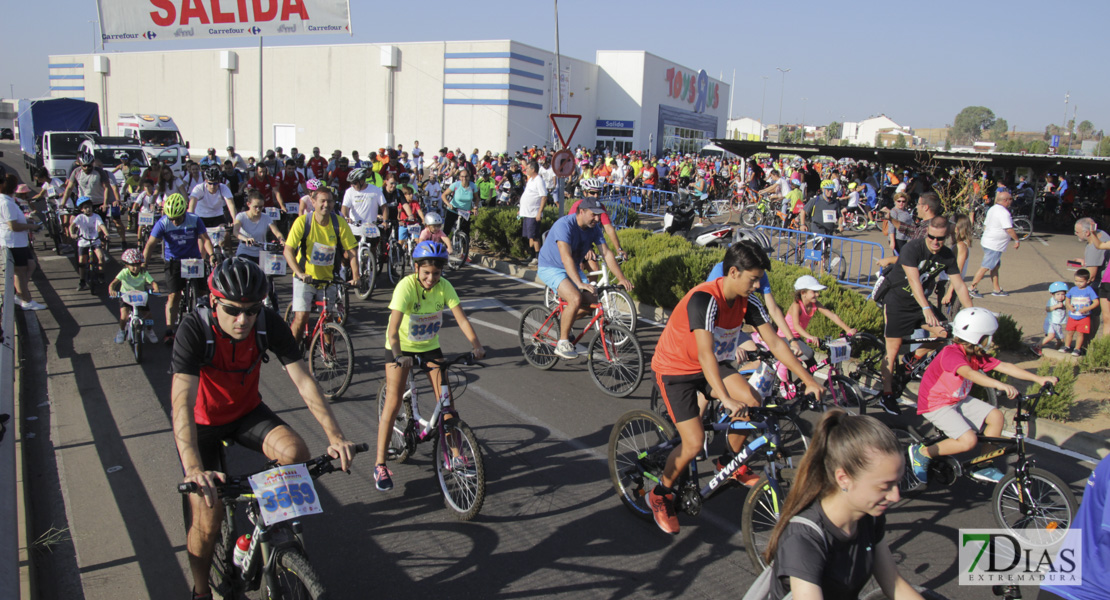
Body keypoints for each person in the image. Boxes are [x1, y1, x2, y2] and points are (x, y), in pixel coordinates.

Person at [172, 257, 358, 600]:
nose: (243, 319)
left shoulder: (267, 323)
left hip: (245, 413)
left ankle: (261, 527)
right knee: (207, 519)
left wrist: (335, 436)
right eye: (232, 310)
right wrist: (194, 468)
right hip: (202, 424)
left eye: (252, 310)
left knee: (296, 453)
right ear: (214, 301)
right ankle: (200, 591)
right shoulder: (194, 329)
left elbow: (304, 380)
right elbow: (181, 403)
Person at [648, 242, 825, 534]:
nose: (757, 285)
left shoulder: (748, 302)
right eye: (753, 279)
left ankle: (729, 463)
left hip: (712, 364)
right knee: (692, 442)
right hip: (676, 369)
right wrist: (726, 399)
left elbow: (776, 342)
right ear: (733, 272)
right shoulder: (705, 299)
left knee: (752, 402)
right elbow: (705, 353)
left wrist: (808, 379)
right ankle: (660, 494)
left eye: (759, 280)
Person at [762, 410, 925, 600]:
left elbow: (894, 584)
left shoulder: (870, 517)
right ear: (843, 478)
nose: (895, 496)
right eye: (885, 486)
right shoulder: (804, 539)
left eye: (898, 483)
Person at [374, 241, 485, 491]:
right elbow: (392, 330)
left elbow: (462, 319)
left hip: (429, 347)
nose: (431, 278)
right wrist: (398, 355)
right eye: (426, 273)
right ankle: (380, 464)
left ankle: (456, 455)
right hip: (400, 348)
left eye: (436, 273)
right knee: (392, 402)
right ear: (416, 269)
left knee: (447, 405)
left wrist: (477, 346)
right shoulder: (405, 287)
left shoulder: (444, 287)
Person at [907, 308, 1057, 483]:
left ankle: (984, 465)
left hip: (956, 399)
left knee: (996, 416)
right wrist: (998, 384)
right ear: (977, 337)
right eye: (988, 336)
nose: (990, 340)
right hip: (936, 403)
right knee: (968, 441)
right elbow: (969, 373)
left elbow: (1005, 366)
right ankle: (922, 453)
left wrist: (1039, 379)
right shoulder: (951, 353)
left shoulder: (974, 353)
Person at [878, 216, 975, 416]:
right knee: (892, 350)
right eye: (931, 237)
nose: (935, 242)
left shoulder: (947, 255)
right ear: (927, 233)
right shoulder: (913, 248)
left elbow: (959, 284)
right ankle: (886, 394)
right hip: (897, 301)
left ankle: (912, 359)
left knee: (944, 334)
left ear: (947, 236)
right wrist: (926, 308)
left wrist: (971, 312)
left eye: (940, 238)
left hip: (919, 304)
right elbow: (914, 281)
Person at [536, 197, 632, 360]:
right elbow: (565, 258)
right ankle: (563, 342)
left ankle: (564, 318)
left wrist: (621, 278)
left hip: (571, 266)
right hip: (551, 267)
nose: (597, 219)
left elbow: (606, 253)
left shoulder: (593, 228)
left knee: (593, 303)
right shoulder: (564, 225)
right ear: (581, 212)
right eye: (594, 215)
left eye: (599, 215)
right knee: (575, 298)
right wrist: (579, 283)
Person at [282, 185, 360, 346]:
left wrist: (356, 276)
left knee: (328, 318)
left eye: (330, 201)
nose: (326, 205)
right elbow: (288, 251)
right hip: (305, 278)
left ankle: (328, 352)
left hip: (328, 278)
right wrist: (300, 273)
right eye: (322, 201)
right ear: (313, 202)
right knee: (302, 316)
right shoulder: (303, 222)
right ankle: (290, 352)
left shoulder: (338, 223)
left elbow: (352, 251)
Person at [143, 193, 216, 343]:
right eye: (172, 219)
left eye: (178, 218)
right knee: (173, 296)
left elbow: (205, 239)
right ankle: (169, 329)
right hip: (174, 261)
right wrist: (144, 263)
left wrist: (212, 255)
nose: (174, 221)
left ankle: (205, 325)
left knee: (203, 293)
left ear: (184, 212)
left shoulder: (194, 220)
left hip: (193, 260)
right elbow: (150, 244)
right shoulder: (163, 223)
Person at [781, 275, 857, 365]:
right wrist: (810, 337)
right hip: (785, 336)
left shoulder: (815, 304)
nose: (817, 294)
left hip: (797, 337)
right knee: (808, 353)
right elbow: (796, 326)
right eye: (814, 291)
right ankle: (783, 366)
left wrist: (848, 329)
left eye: (817, 292)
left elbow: (832, 316)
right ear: (803, 293)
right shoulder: (796, 305)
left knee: (812, 366)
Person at [0, 175, 46, 310]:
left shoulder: (8, 200)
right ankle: (26, 300)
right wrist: (31, 227)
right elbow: (13, 226)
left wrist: (27, 222)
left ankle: (20, 293)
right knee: (20, 272)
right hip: (13, 242)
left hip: (20, 242)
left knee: (30, 265)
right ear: (13, 188)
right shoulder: (6, 203)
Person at [967, 191, 1019, 298]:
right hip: (994, 245)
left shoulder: (992, 209)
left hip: (988, 241)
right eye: (1010, 199)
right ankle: (972, 288)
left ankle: (996, 289)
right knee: (986, 266)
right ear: (1005, 200)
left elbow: (985, 225)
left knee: (995, 266)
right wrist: (1016, 240)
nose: (1011, 202)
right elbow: (1009, 229)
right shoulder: (1004, 213)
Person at [108, 248, 160, 343]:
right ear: (126, 265)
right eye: (132, 265)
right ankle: (122, 331)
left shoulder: (144, 272)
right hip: (126, 296)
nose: (135, 268)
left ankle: (149, 330)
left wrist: (155, 288)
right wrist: (111, 290)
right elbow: (113, 283)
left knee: (148, 316)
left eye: (138, 264)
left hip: (140, 297)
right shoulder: (124, 273)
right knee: (124, 316)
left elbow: (152, 282)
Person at [1073, 217, 1110, 337]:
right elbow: (1099, 247)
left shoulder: (1093, 246)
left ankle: (1088, 342)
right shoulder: (1102, 235)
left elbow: (1092, 275)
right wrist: (1093, 232)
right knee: (1105, 317)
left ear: (1086, 232)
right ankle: (1102, 346)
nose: (1075, 234)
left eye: (1077, 232)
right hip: (1105, 281)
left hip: (1103, 283)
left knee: (1097, 315)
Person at [69, 196, 111, 291]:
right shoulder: (80, 217)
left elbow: (101, 225)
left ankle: (101, 274)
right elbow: (72, 226)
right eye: (85, 208)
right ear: (81, 209)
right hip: (83, 241)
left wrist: (106, 234)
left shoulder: (96, 216)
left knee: (100, 257)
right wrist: (72, 233)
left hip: (95, 240)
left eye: (89, 207)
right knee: (81, 262)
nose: (88, 209)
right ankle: (82, 280)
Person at [233, 191, 285, 263]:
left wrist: (281, 239)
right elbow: (235, 231)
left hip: (260, 253)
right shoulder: (241, 216)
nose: (258, 210)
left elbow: (276, 232)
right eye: (255, 207)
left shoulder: (266, 217)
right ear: (248, 204)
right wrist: (245, 239)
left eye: (260, 207)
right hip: (244, 252)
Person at [518, 160, 548, 265]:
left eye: (527, 168)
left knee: (535, 236)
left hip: (533, 213)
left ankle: (537, 257)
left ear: (533, 169)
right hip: (526, 213)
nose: (525, 170)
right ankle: (531, 255)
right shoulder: (531, 180)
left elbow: (544, 196)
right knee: (529, 235)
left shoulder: (539, 180)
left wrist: (539, 212)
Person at [1063, 269, 1098, 356]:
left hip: (1084, 317)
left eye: (1081, 281)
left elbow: (1096, 302)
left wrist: (1088, 308)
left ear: (1087, 281)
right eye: (1076, 281)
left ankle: (1077, 348)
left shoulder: (1089, 290)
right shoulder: (1073, 289)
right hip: (1073, 316)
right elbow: (1067, 298)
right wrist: (1068, 305)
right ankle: (1066, 346)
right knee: (1070, 332)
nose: (1078, 283)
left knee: (1080, 333)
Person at [1037, 281, 1069, 354]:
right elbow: (1047, 309)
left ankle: (1055, 351)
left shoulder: (1065, 301)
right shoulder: (1052, 300)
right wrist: (1056, 306)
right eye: (1058, 294)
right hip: (1050, 322)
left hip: (1058, 324)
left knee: (1061, 340)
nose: (1060, 296)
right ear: (1052, 294)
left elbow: (1068, 304)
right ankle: (1037, 346)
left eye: (1063, 294)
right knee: (1051, 336)